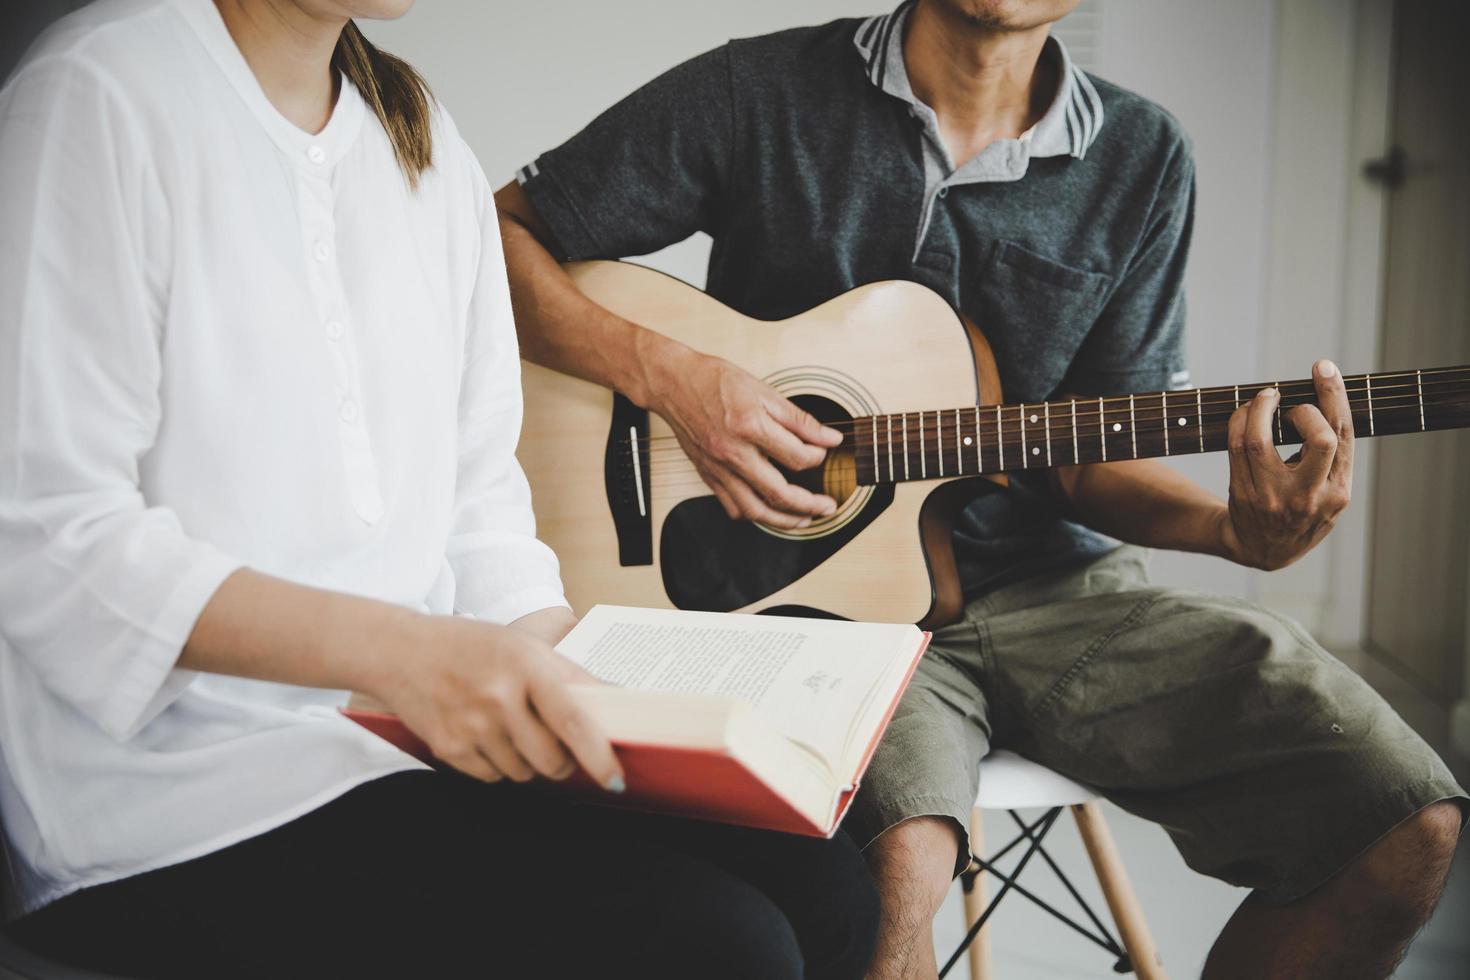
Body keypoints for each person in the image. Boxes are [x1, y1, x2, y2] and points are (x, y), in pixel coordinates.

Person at [495, 0, 1467, 977]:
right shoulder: (759, 91)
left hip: (1070, 593)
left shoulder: (1142, 155)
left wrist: (1232, 531)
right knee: (894, 881)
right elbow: (498, 235)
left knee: (1404, 822)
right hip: (827, 607)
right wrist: (669, 373)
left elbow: (1092, 450)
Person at [0, 2, 880, 977]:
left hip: (408, 752)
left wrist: (572, 678)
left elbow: (475, 489)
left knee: (828, 879)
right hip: (176, 801)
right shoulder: (99, 94)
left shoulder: (421, 139)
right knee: (722, 947)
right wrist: (408, 656)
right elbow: (47, 537)